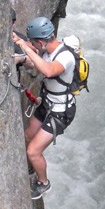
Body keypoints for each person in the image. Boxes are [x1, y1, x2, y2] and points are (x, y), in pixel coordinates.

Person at [13, 15, 76, 198]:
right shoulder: (47, 48)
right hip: (47, 104)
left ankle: (43, 183)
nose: (33, 45)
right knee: (28, 136)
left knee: (33, 151)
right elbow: (34, 57)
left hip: (60, 112)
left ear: (41, 41)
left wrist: (25, 47)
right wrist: (20, 43)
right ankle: (32, 168)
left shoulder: (65, 57)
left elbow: (48, 70)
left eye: (34, 42)